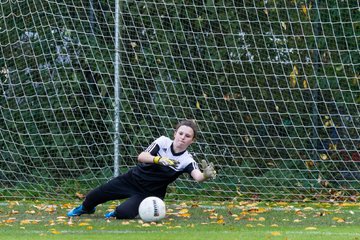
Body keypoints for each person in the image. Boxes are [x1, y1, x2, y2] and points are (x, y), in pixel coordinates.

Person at [67, 119, 216, 219]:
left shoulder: (187, 160)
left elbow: (197, 176)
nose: (183, 137)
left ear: (192, 140)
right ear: (175, 133)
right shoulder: (162, 142)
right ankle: (86, 208)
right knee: (93, 196)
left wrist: (205, 175)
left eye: (188, 136)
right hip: (131, 180)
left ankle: (117, 212)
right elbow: (142, 156)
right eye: (181, 133)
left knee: (123, 213)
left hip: (149, 193)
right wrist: (158, 159)